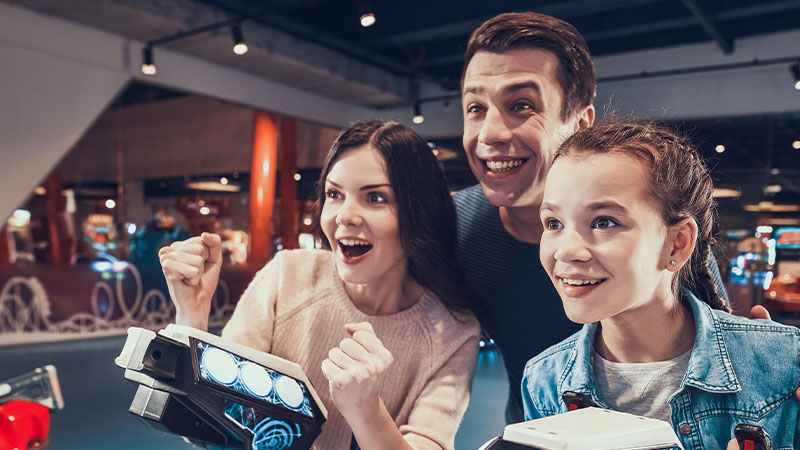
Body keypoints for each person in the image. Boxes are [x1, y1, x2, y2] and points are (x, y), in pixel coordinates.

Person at [453, 11, 739, 426]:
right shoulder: (456, 226)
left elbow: (719, 355)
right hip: (535, 426)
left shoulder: (655, 237)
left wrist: (758, 361)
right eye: (475, 107)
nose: (491, 133)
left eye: (521, 105)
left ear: (580, 123)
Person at [159, 120, 480, 450]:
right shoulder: (287, 275)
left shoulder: (452, 333)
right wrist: (191, 320)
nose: (345, 215)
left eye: (375, 197)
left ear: (420, 211)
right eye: (334, 194)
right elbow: (208, 428)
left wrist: (366, 410)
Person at [521, 121, 799, 449]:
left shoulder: (783, 365)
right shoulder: (544, 381)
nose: (567, 250)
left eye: (604, 222)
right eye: (554, 223)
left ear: (677, 244)